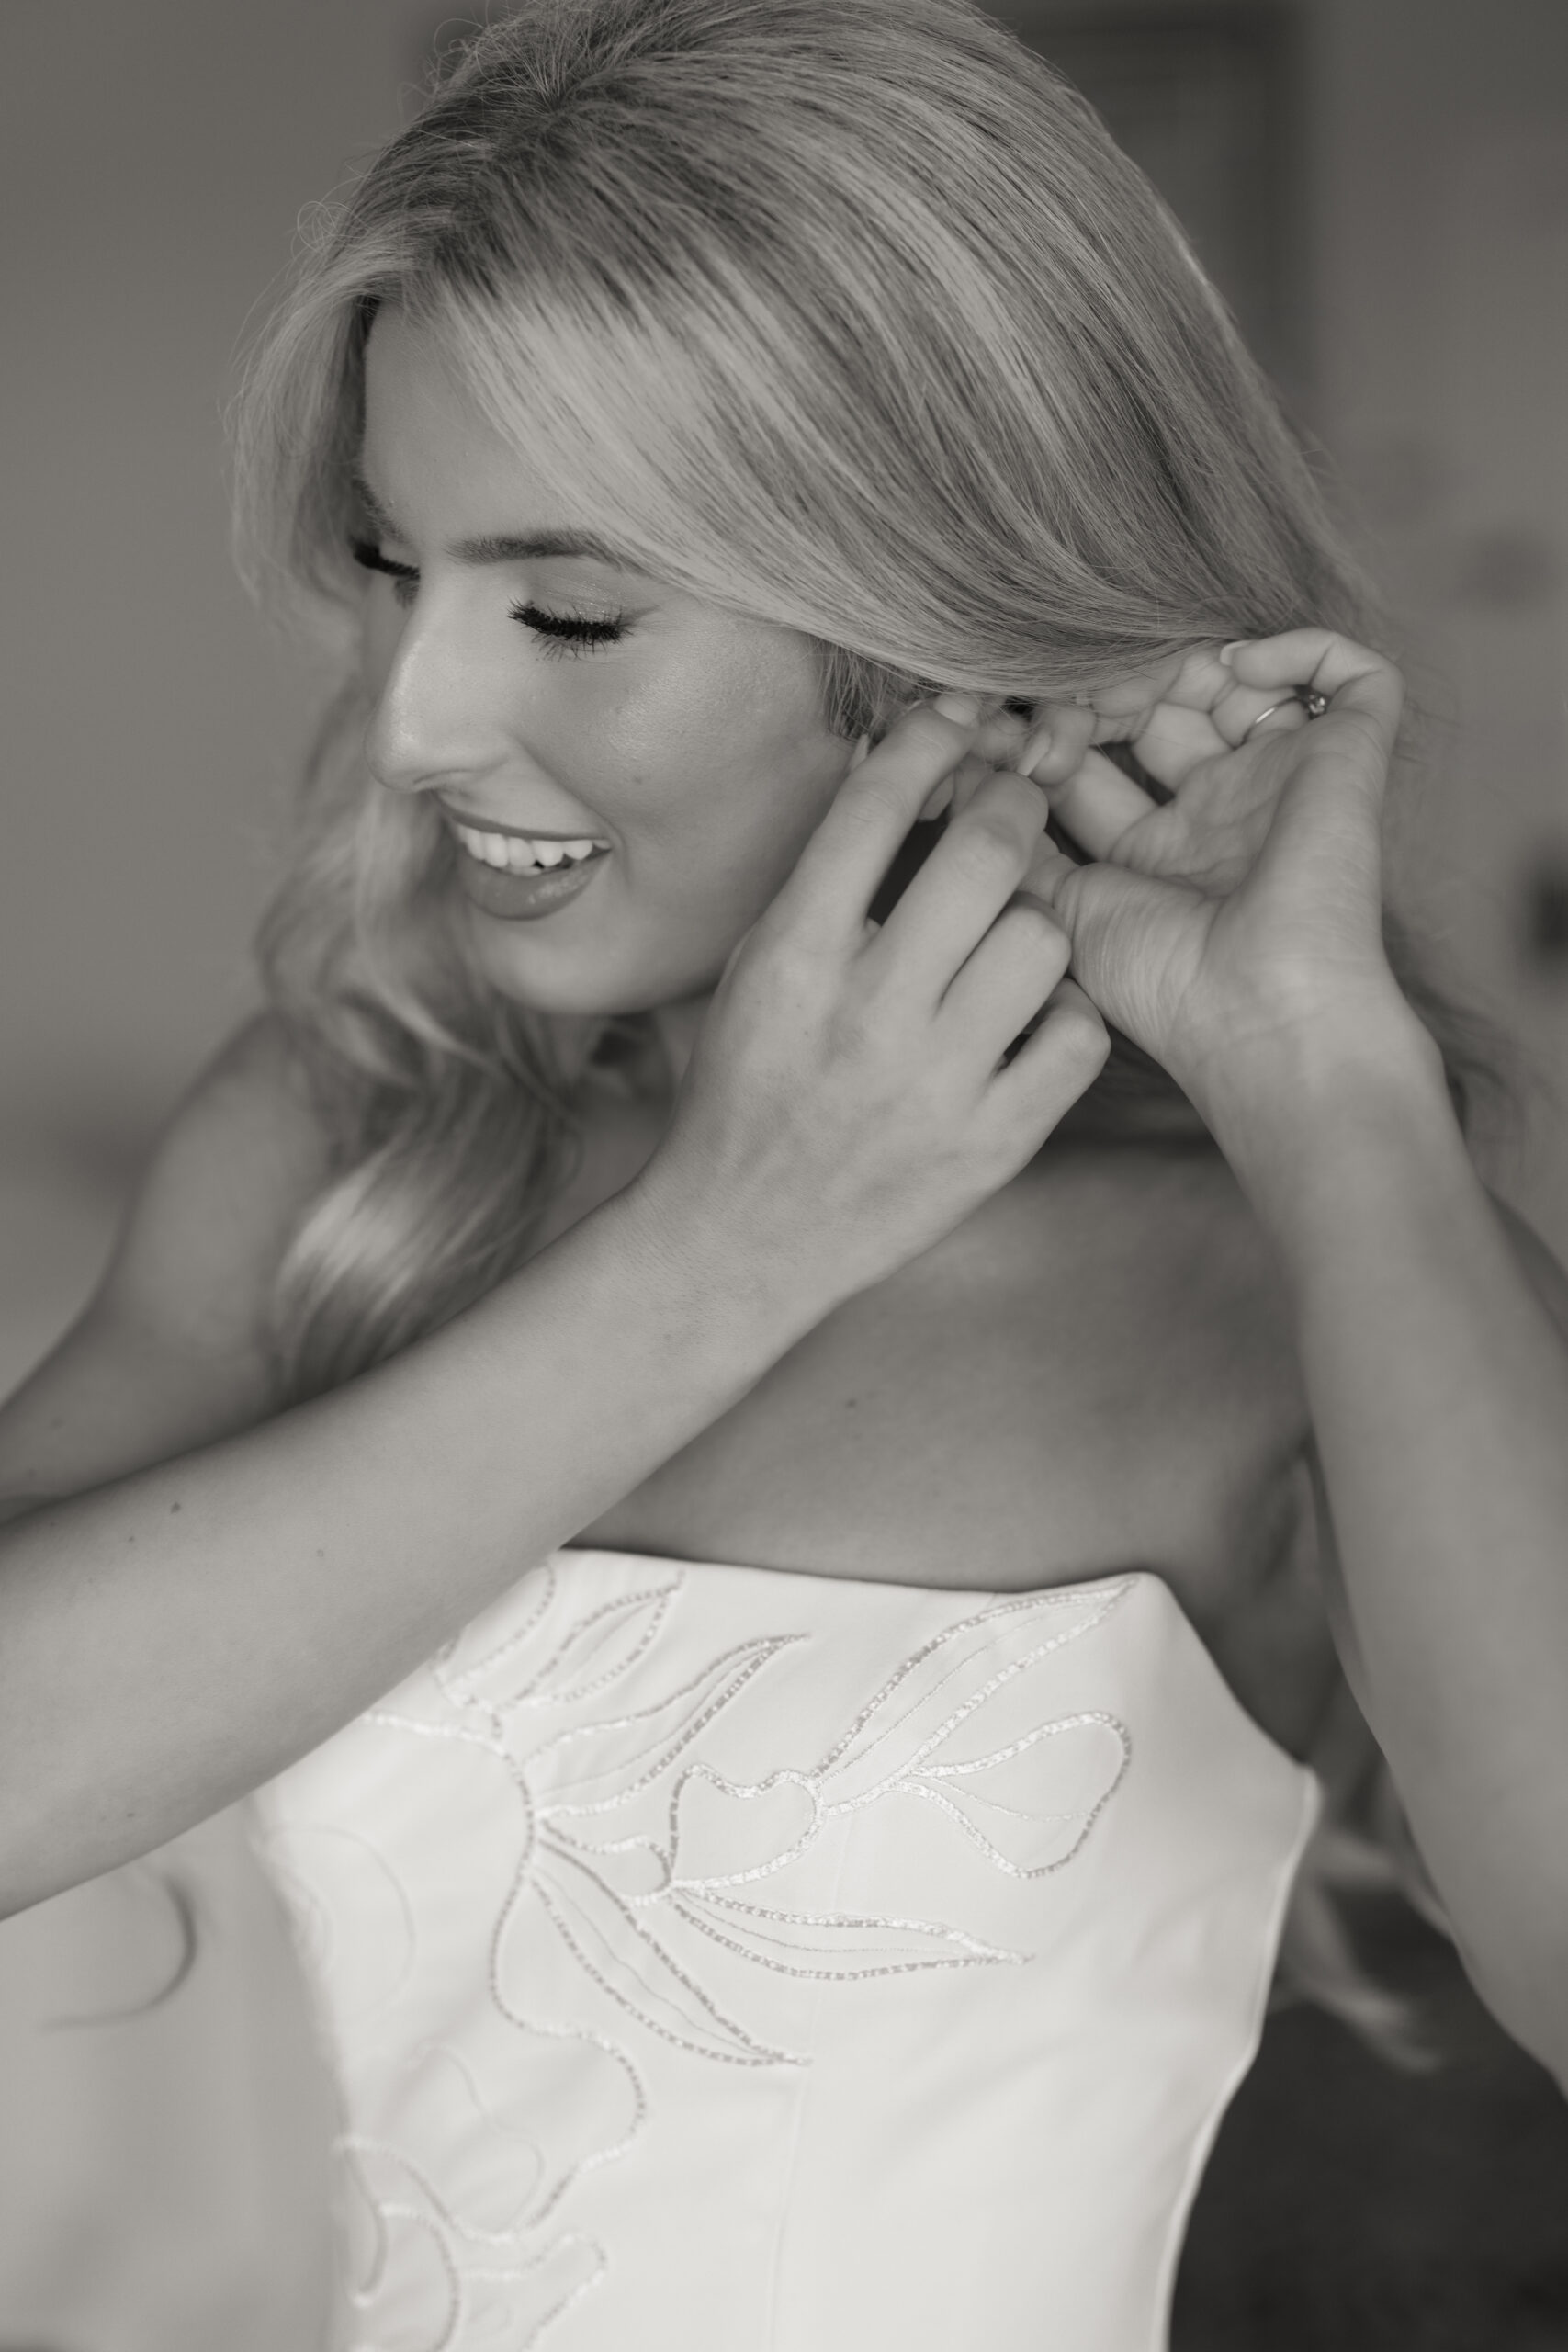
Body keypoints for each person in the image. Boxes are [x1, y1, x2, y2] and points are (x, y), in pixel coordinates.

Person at [1, 0, 1565, 2344]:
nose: (417, 723)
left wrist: (1327, 1077)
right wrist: (724, 1246)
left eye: (566, 609)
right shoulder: (353, 1124)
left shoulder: (1267, 1249)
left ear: (942, 606)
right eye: (389, 564)